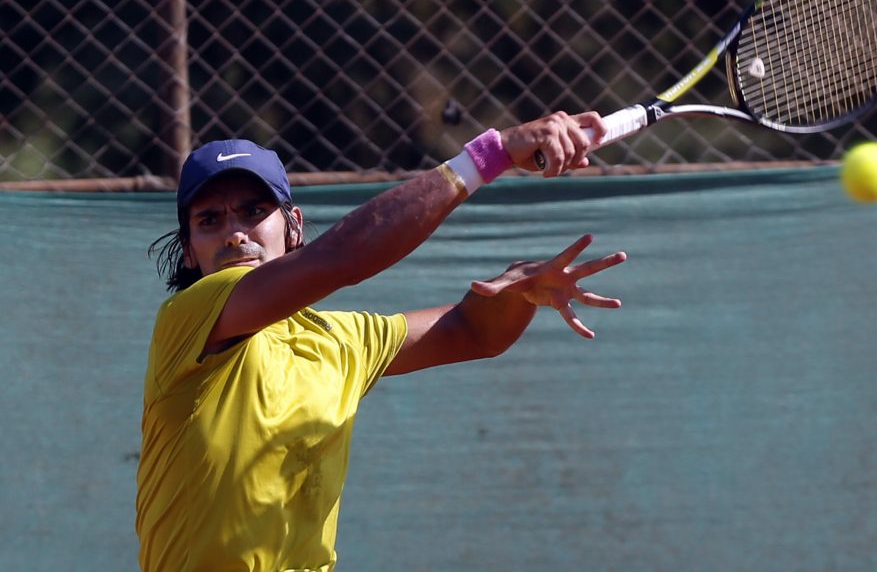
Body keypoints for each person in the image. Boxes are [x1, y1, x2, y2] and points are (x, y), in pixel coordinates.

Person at [135, 111, 627, 571]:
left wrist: (518, 289)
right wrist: (488, 157)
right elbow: (341, 259)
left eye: (253, 211)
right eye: (209, 221)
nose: (235, 234)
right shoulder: (190, 318)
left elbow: (472, 330)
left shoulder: (338, 342)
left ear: (294, 226)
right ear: (190, 256)